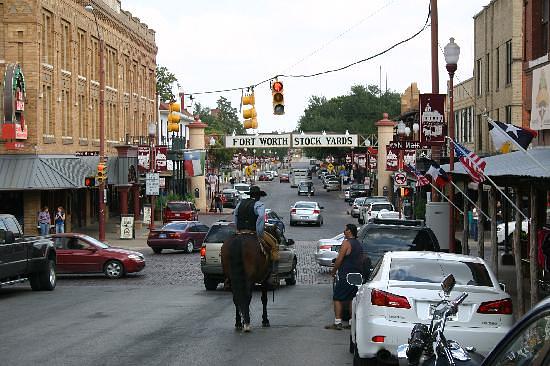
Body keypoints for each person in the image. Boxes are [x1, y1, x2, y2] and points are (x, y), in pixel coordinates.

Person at [325, 223, 363, 330]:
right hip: (357, 275)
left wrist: (333, 271)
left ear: (350, 231)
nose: (344, 232)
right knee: (352, 298)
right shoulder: (358, 244)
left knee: (337, 297)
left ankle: (337, 322)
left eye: (345, 230)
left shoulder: (346, 243)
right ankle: (351, 322)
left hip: (346, 274)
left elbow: (339, 259)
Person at [233, 186, 279, 273]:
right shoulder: (259, 205)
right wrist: (259, 232)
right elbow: (261, 217)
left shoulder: (240, 204)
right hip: (252, 231)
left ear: (250, 195)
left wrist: (237, 229)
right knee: (274, 245)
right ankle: (273, 270)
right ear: (258, 196)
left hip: (240, 231)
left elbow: (235, 215)